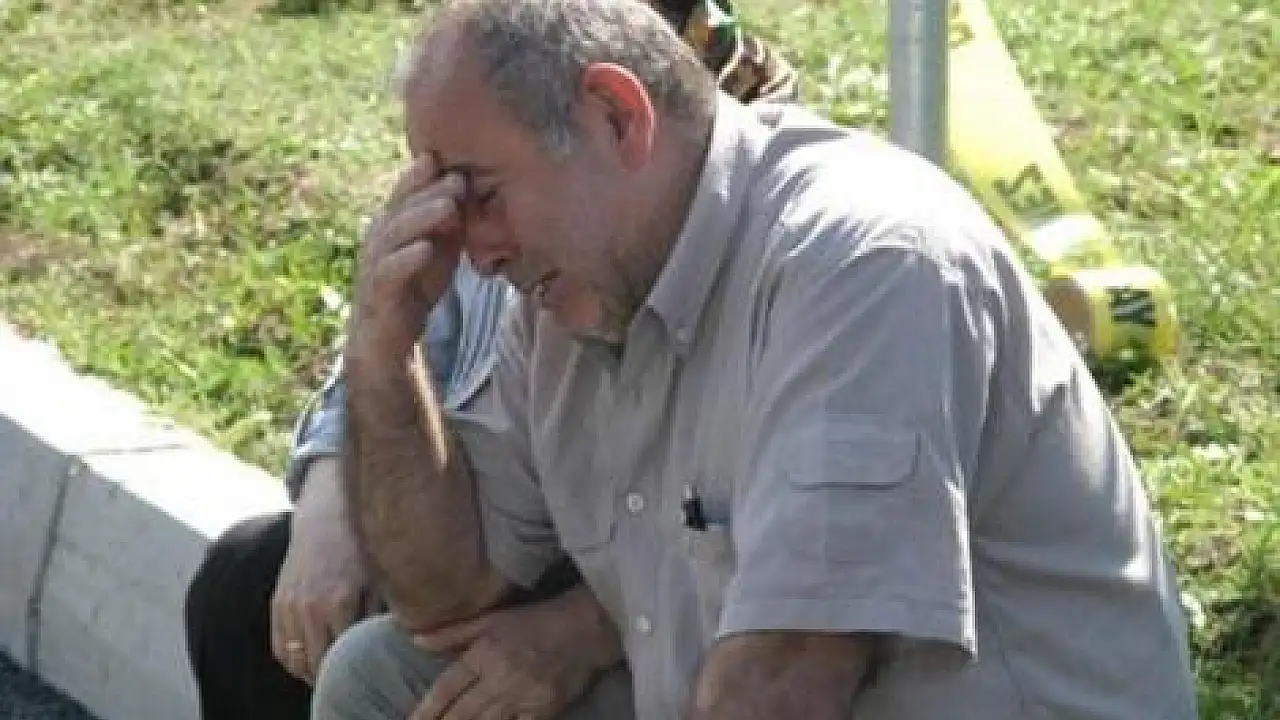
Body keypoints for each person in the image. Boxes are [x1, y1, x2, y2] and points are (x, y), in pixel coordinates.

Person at [310, 0, 1199, 718]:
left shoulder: (862, 260)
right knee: (385, 680)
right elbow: (444, 595)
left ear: (618, 116)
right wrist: (386, 355)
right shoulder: (566, 296)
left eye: (482, 195)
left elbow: (786, 683)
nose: (475, 253)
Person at [181, 2, 798, 718]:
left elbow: (764, 561)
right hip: (494, 507)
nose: (483, 251)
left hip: (609, 561)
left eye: (488, 198)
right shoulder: (489, 115)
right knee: (248, 588)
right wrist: (332, 494)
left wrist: (581, 630)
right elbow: (400, 335)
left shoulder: (725, 172)